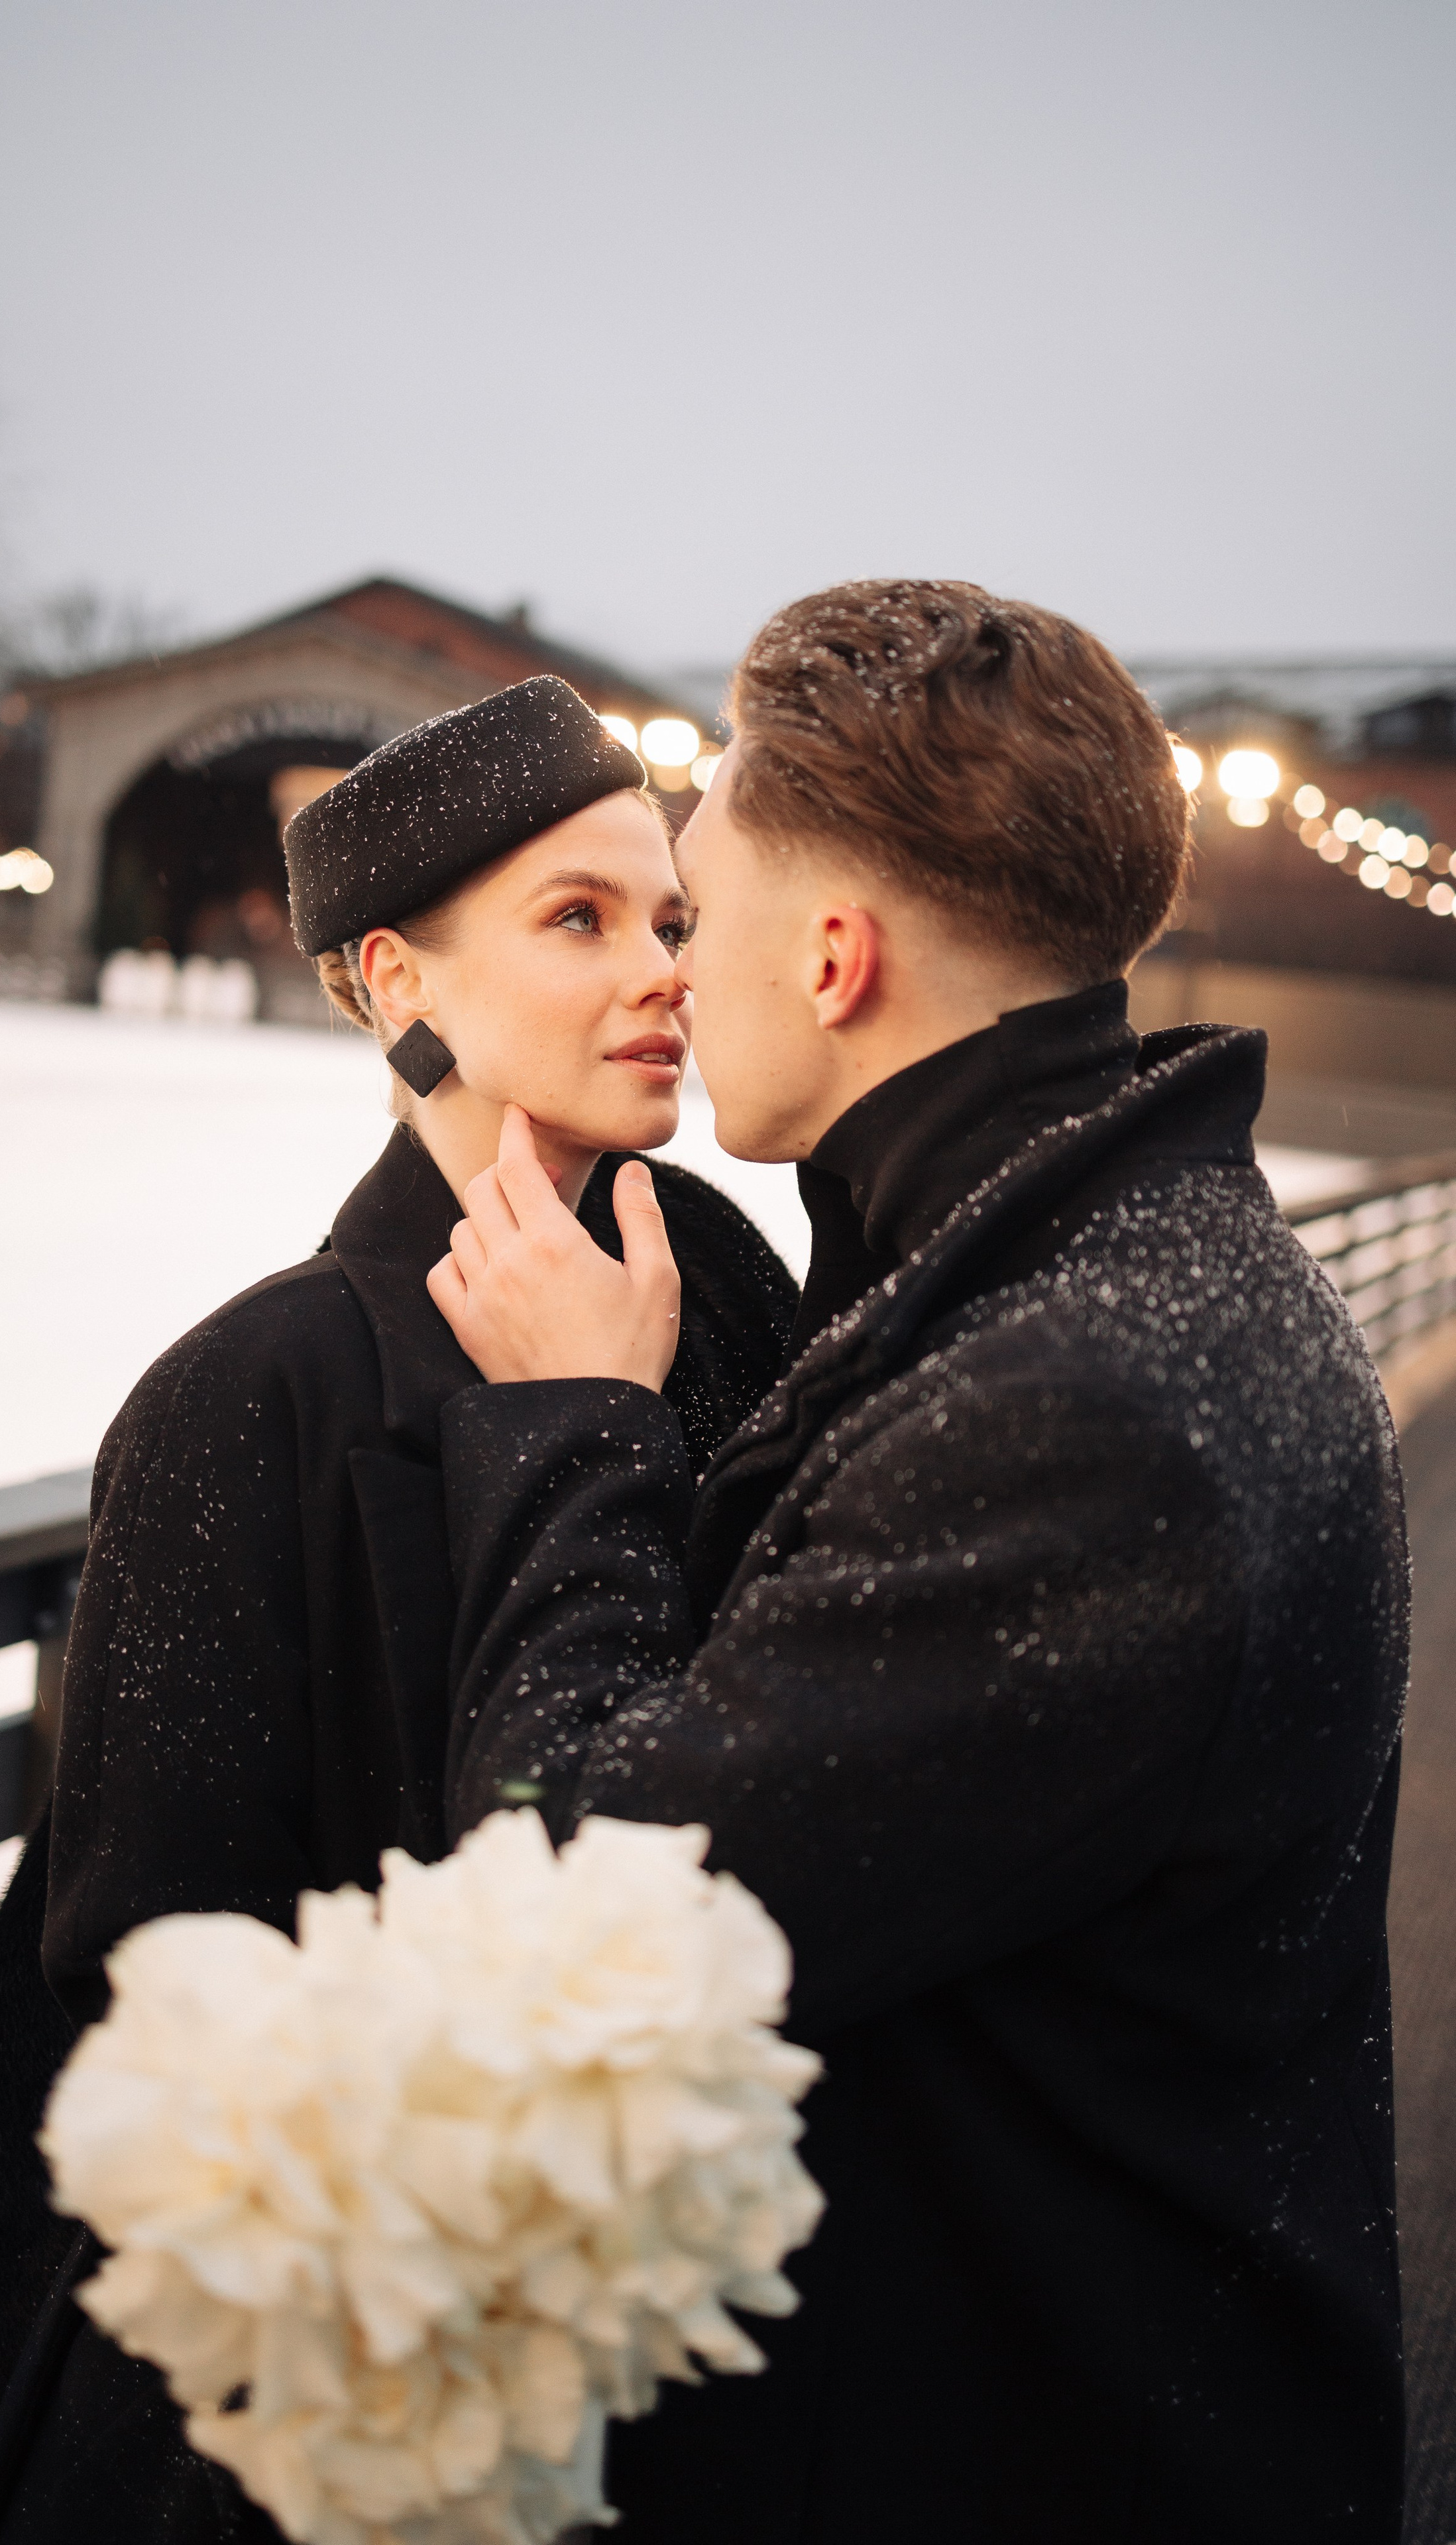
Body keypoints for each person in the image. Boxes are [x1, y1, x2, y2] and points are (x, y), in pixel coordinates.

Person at [0, 677, 796, 2542]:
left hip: (724, 2317)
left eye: (670, 917)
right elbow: (155, 1962)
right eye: (579, 919)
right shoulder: (253, 1394)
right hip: (368, 2381)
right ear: (395, 983)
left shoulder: (721, 1290)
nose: (662, 968)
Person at [426, 589, 1409, 2542]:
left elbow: (589, 1919)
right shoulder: (1127, 1267)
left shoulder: (1082, 1406)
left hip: (1042, 2457)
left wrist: (573, 1429)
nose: (674, 981)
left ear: (839, 952)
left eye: (697, 920)